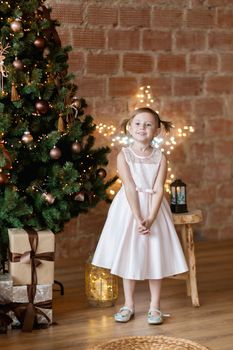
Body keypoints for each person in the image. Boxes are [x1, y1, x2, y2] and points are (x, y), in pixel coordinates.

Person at [92, 107, 188, 325]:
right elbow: (129, 187)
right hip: (129, 208)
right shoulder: (123, 155)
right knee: (129, 255)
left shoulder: (160, 157)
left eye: (148, 125)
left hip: (154, 209)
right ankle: (129, 305)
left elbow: (158, 188)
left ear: (156, 131)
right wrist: (138, 217)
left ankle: (155, 306)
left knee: (155, 255)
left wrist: (151, 218)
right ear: (129, 127)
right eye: (137, 123)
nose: (142, 128)